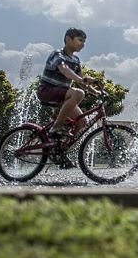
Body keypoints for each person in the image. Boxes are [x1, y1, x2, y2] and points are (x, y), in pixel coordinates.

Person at [37, 27, 100, 167]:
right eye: (80, 40)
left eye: (84, 41)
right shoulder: (57, 54)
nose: (82, 44)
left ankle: (59, 151)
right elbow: (65, 71)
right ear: (68, 39)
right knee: (78, 93)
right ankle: (55, 128)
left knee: (82, 122)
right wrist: (81, 80)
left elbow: (81, 81)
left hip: (63, 96)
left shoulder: (76, 60)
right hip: (47, 91)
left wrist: (97, 93)